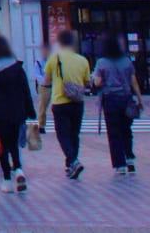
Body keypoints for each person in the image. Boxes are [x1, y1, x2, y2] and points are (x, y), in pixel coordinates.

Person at [0, 34, 36, 194]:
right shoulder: (17, 67)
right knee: (14, 142)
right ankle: (18, 169)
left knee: (3, 144)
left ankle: (6, 178)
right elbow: (26, 91)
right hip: (18, 111)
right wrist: (30, 111)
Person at [38, 30, 92, 180]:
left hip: (60, 101)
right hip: (77, 102)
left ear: (60, 43)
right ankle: (70, 164)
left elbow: (47, 81)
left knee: (63, 135)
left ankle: (73, 161)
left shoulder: (54, 59)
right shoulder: (82, 60)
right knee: (74, 134)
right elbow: (87, 82)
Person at [93, 33, 142, 176]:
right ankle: (130, 159)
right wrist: (139, 98)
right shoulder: (126, 61)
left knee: (114, 132)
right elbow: (133, 81)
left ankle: (120, 164)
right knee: (126, 130)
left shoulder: (102, 62)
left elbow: (97, 82)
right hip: (126, 98)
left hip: (110, 99)